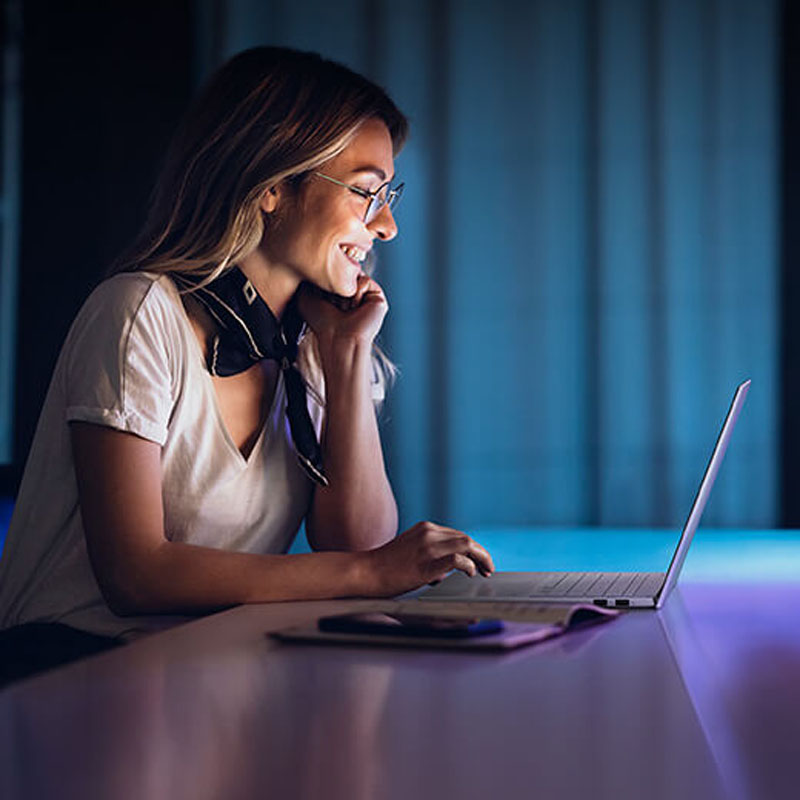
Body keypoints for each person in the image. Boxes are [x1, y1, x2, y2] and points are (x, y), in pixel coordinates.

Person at [0, 47, 493, 682]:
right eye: (368, 193)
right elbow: (134, 575)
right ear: (271, 189)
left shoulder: (316, 342)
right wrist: (372, 573)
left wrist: (346, 360)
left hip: (199, 669)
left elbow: (359, 548)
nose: (388, 226)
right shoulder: (138, 312)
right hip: (68, 673)